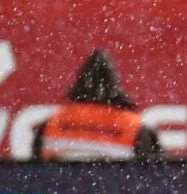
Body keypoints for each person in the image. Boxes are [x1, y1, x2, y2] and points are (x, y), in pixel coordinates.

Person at [31, 49, 161, 160]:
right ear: (114, 85)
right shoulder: (134, 129)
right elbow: (153, 177)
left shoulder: (52, 124)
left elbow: (34, 173)